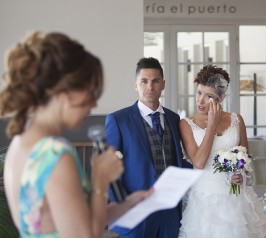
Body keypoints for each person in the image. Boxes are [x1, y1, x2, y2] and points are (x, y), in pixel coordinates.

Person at [0, 31, 153, 238]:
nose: (94, 103)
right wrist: (100, 182)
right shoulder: (55, 154)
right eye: (91, 92)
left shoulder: (19, 144)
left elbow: (71, 219)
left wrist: (128, 204)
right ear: (65, 92)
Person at [178, 65, 266, 238]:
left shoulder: (236, 120)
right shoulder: (186, 124)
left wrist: (241, 174)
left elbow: (246, 159)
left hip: (236, 199)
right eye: (199, 93)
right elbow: (198, 162)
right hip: (205, 200)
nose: (201, 101)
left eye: (209, 96)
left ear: (221, 97)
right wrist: (212, 124)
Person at [105, 57, 192, 238]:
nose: (150, 87)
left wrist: (213, 169)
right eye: (144, 81)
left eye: (155, 81)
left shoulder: (174, 119)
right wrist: (121, 208)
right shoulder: (118, 120)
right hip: (135, 215)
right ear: (135, 84)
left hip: (169, 213)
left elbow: (179, 161)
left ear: (163, 84)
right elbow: (108, 172)